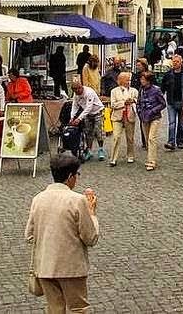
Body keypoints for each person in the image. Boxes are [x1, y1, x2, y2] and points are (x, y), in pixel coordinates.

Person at [25, 152, 99, 314]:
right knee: (78, 308)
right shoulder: (77, 200)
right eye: (77, 174)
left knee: (55, 309)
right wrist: (92, 213)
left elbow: (29, 235)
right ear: (71, 176)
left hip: (45, 266)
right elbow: (90, 237)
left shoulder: (38, 198)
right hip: (71, 267)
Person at [70, 76, 106, 161]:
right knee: (88, 133)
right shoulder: (76, 95)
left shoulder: (89, 92)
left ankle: (101, 149)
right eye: (75, 91)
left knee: (98, 132)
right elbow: (75, 106)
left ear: (80, 87)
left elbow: (88, 107)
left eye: (77, 91)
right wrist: (72, 117)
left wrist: (79, 119)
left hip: (97, 112)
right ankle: (89, 151)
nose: (77, 93)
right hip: (87, 115)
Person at [137, 71, 166, 171]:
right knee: (147, 139)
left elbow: (163, 104)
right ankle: (150, 157)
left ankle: (151, 161)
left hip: (154, 117)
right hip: (144, 117)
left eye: (143, 79)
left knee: (151, 138)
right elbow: (138, 102)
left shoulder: (156, 90)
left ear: (149, 81)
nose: (141, 81)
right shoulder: (141, 90)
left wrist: (153, 110)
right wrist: (139, 112)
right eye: (141, 79)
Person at [160, 55, 183, 151]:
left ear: (181, 62)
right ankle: (171, 142)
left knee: (182, 123)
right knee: (172, 123)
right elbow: (163, 87)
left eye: (177, 61)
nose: (175, 63)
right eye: (174, 61)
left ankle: (180, 141)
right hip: (171, 101)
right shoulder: (168, 74)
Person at [108, 72, 137, 166]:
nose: (129, 81)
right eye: (127, 80)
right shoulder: (114, 91)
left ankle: (130, 155)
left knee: (130, 137)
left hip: (130, 115)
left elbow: (138, 100)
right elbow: (113, 104)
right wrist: (124, 103)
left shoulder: (134, 91)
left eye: (129, 79)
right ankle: (113, 158)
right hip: (117, 116)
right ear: (120, 81)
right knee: (116, 137)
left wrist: (133, 101)